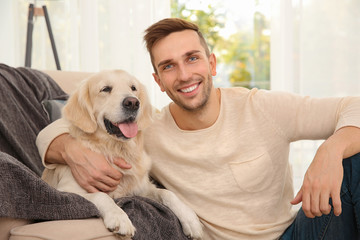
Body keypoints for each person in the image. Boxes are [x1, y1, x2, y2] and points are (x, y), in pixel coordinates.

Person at [37, 18, 360, 239]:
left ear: (212, 64)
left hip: (296, 235)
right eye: (168, 66)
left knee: (354, 163)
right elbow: (52, 133)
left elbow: (353, 106)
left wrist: (330, 150)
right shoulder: (145, 130)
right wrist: (71, 150)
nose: (184, 74)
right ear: (158, 82)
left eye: (192, 59)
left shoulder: (263, 107)